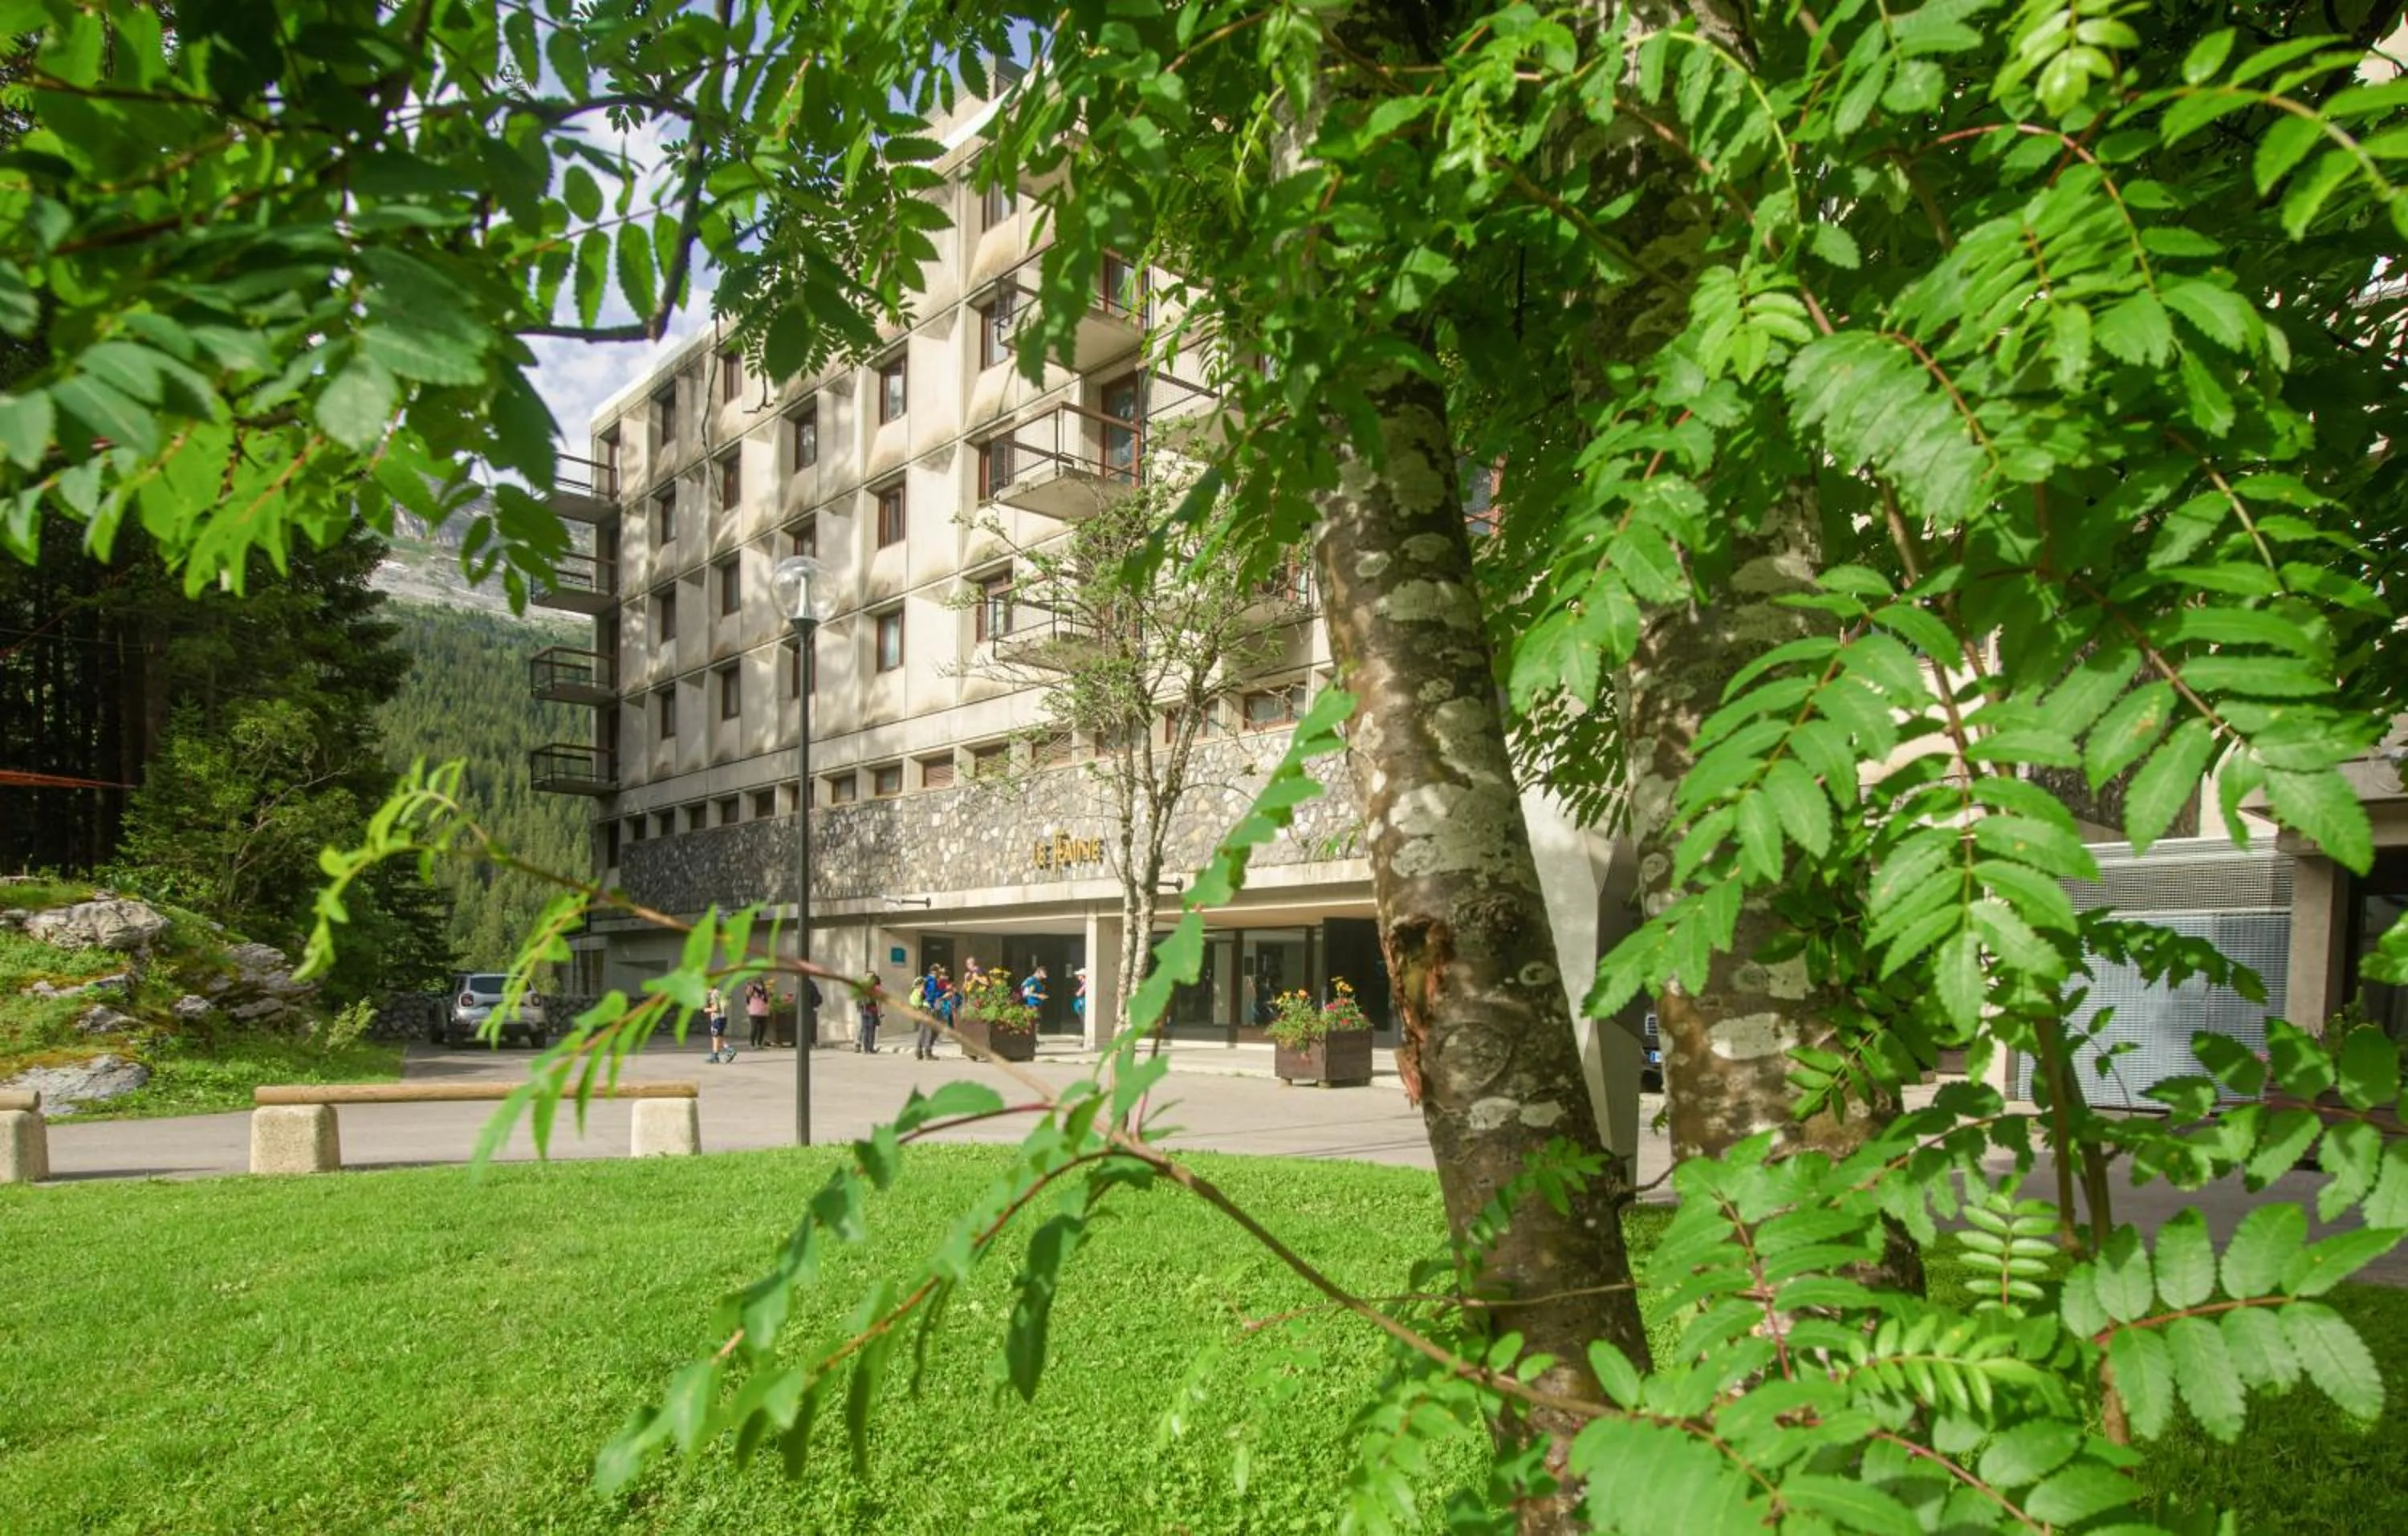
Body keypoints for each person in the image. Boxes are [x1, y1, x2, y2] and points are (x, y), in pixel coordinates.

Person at [704, 984, 732, 1063]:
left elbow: (716, 1008)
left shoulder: (713, 994)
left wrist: (707, 1010)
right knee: (719, 1037)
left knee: (715, 1038)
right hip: (723, 1017)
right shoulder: (720, 993)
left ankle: (720, 1054)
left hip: (717, 1018)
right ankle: (716, 1054)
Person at [855, 976, 882, 1054]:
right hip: (872, 1011)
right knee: (871, 1030)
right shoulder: (876, 988)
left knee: (865, 1030)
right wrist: (880, 1013)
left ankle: (866, 1049)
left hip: (863, 1011)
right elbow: (879, 1001)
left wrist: (859, 1008)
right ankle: (870, 1048)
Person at [744, 980, 771, 1048]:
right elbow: (747, 995)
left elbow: (767, 1000)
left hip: (764, 1013)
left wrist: (768, 1007)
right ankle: (752, 1043)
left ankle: (759, 1043)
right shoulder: (752, 991)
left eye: (760, 984)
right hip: (754, 1013)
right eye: (757, 984)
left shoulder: (765, 992)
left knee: (763, 1029)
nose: (759, 986)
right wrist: (751, 986)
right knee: (754, 1029)